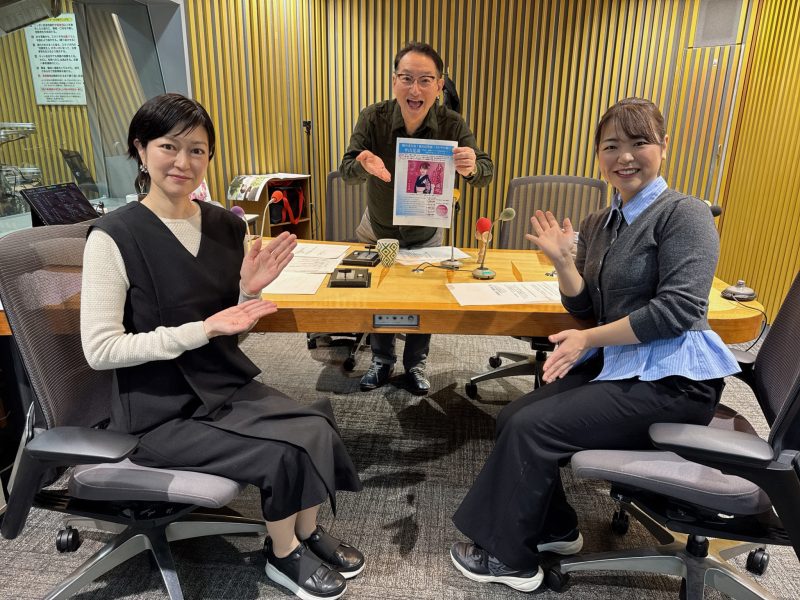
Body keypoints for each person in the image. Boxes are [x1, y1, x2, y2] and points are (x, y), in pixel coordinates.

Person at [449, 97, 740, 592]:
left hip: (674, 382)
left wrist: (588, 338)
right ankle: (557, 529)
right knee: (513, 417)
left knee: (534, 428)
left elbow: (676, 312)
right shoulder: (599, 223)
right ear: (599, 156)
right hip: (623, 365)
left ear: (663, 147)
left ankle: (510, 561)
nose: (624, 157)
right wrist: (565, 263)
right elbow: (587, 307)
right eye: (611, 146)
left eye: (639, 142)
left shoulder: (684, 214)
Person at [80, 93, 363, 600]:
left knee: (317, 419)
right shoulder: (113, 237)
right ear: (140, 150)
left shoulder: (227, 226)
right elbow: (100, 350)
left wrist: (247, 293)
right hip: (158, 410)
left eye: (197, 150)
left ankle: (305, 530)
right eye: (169, 146)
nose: (183, 162)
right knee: (283, 450)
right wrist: (202, 330)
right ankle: (282, 554)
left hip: (222, 384)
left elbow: (230, 329)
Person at [339, 41, 494, 395]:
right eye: (406, 78)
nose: (415, 89)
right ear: (394, 81)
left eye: (425, 80)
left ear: (439, 85)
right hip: (378, 228)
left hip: (426, 232)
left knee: (424, 298)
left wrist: (472, 167)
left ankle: (416, 365)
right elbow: (346, 169)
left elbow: (485, 171)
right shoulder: (373, 118)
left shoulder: (452, 124)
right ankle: (381, 361)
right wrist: (362, 165)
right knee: (380, 296)